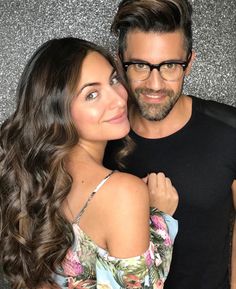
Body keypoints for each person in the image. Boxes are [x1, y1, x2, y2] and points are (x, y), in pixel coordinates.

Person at [0, 37, 179, 289]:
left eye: (114, 80)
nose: (118, 99)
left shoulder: (34, 179)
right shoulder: (122, 192)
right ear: (57, 111)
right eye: (92, 94)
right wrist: (160, 218)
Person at [103, 1, 236, 289]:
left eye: (170, 66)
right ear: (119, 61)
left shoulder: (230, 129)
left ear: (189, 63)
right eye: (139, 65)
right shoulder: (98, 139)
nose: (154, 84)